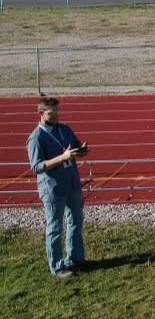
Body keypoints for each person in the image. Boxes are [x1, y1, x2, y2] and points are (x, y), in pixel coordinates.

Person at [26, 97, 90, 279]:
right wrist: (62, 158)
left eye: (58, 111)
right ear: (41, 114)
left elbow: (75, 148)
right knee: (55, 228)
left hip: (72, 183)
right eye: (51, 113)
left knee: (76, 222)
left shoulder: (64, 129)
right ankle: (57, 267)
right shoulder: (36, 138)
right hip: (53, 188)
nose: (56, 116)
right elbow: (36, 166)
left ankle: (76, 258)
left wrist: (82, 151)